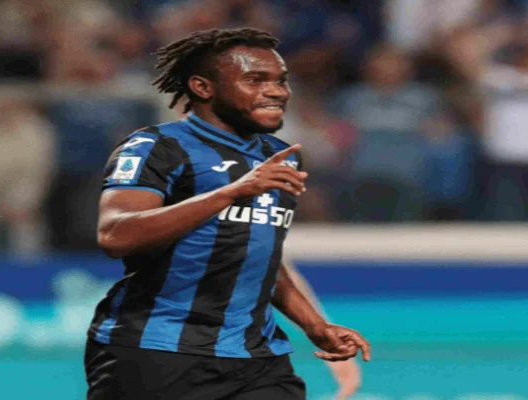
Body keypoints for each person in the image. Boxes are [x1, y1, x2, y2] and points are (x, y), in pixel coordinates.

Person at [85, 28, 370, 400]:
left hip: (255, 358)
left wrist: (314, 326)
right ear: (203, 87)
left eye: (281, 80)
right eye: (255, 80)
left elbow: (260, 254)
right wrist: (231, 192)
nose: (277, 91)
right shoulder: (157, 147)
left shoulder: (280, 156)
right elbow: (115, 235)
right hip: (156, 349)